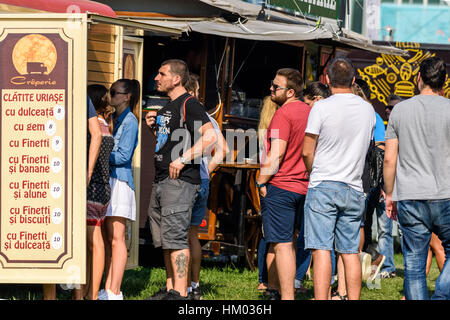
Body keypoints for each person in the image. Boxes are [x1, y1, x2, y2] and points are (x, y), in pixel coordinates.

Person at [302, 57, 375, 300]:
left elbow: (307, 149)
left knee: (321, 249)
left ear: (326, 80)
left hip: (323, 182)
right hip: (354, 186)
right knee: (350, 251)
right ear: (353, 80)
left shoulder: (321, 107)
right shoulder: (368, 109)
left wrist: (312, 171)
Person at [146, 59, 217, 300]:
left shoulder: (190, 104)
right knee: (167, 240)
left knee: (176, 238)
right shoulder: (170, 106)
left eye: (161, 73)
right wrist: (153, 129)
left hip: (180, 181)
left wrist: (183, 159)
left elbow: (210, 137)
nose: (156, 77)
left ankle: (181, 292)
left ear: (176, 78)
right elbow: (170, 141)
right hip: (163, 179)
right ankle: (171, 289)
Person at [384, 56, 450, 300]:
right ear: (444, 83)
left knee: (413, 263)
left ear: (418, 78)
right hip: (446, 193)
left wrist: (389, 195)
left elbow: (390, 159)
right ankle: (442, 296)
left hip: (410, 195)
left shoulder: (400, 110)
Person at [255, 68, 311, 300]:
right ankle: (276, 290)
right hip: (306, 186)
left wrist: (260, 181)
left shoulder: (282, 114)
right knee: (294, 240)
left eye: (275, 87)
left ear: (290, 92)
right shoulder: (310, 112)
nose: (271, 89)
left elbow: (276, 154)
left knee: (282, 244)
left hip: (282, 186)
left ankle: (285, 296)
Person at [42, 94, 102, 300]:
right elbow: (96, 133)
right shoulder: (76, 90)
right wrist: (87, 171)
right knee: (66, 237)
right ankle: (76, 296)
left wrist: (87, 171)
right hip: (61, 171)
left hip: (53, 170)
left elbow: (97, 134)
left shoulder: (77, 93)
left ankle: (57, 296)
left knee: (55, 236)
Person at [184, 74, 228, 300]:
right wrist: (207, 171)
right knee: (193, 234)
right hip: (201, 179)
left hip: (184, 178)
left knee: (179, 236)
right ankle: (195, 285)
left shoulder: (185, 114)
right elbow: (224, 151)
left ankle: (179, 287)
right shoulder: (209, 119)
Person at [98, 79, 140, 300]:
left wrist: (98, 152)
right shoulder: (112, 118)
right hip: (109, 179)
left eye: (114, 92)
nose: (110, 95)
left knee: (117, 238)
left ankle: (115, 291)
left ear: (127, 97)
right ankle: (107, 287)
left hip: (120, 182)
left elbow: (124, 155)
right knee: (106, 238)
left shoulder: (131, 121)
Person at [73, 84, 115, 300]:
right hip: (104, 187)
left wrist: (86, 174)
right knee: (95, 240)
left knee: (92, 241)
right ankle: (90, 291)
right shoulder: (107, 126)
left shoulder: (92, 129)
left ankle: (90, 295)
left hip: (92, 187)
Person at [296, 81, 332, 294]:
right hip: (326, 182)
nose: (305, 107)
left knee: (312, 240)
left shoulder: (317, 115)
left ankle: (298, 281)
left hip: (314, 181)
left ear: (316, 100)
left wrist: (311, 171)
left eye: (306, 102)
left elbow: (308, 151)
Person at [256, 96, 278, 294]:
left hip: (265, 178)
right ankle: (267, 280)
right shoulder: (277, 129)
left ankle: (263, 278)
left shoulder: (264, 128)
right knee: (273, 236)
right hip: (274, 180)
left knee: (266, 233)